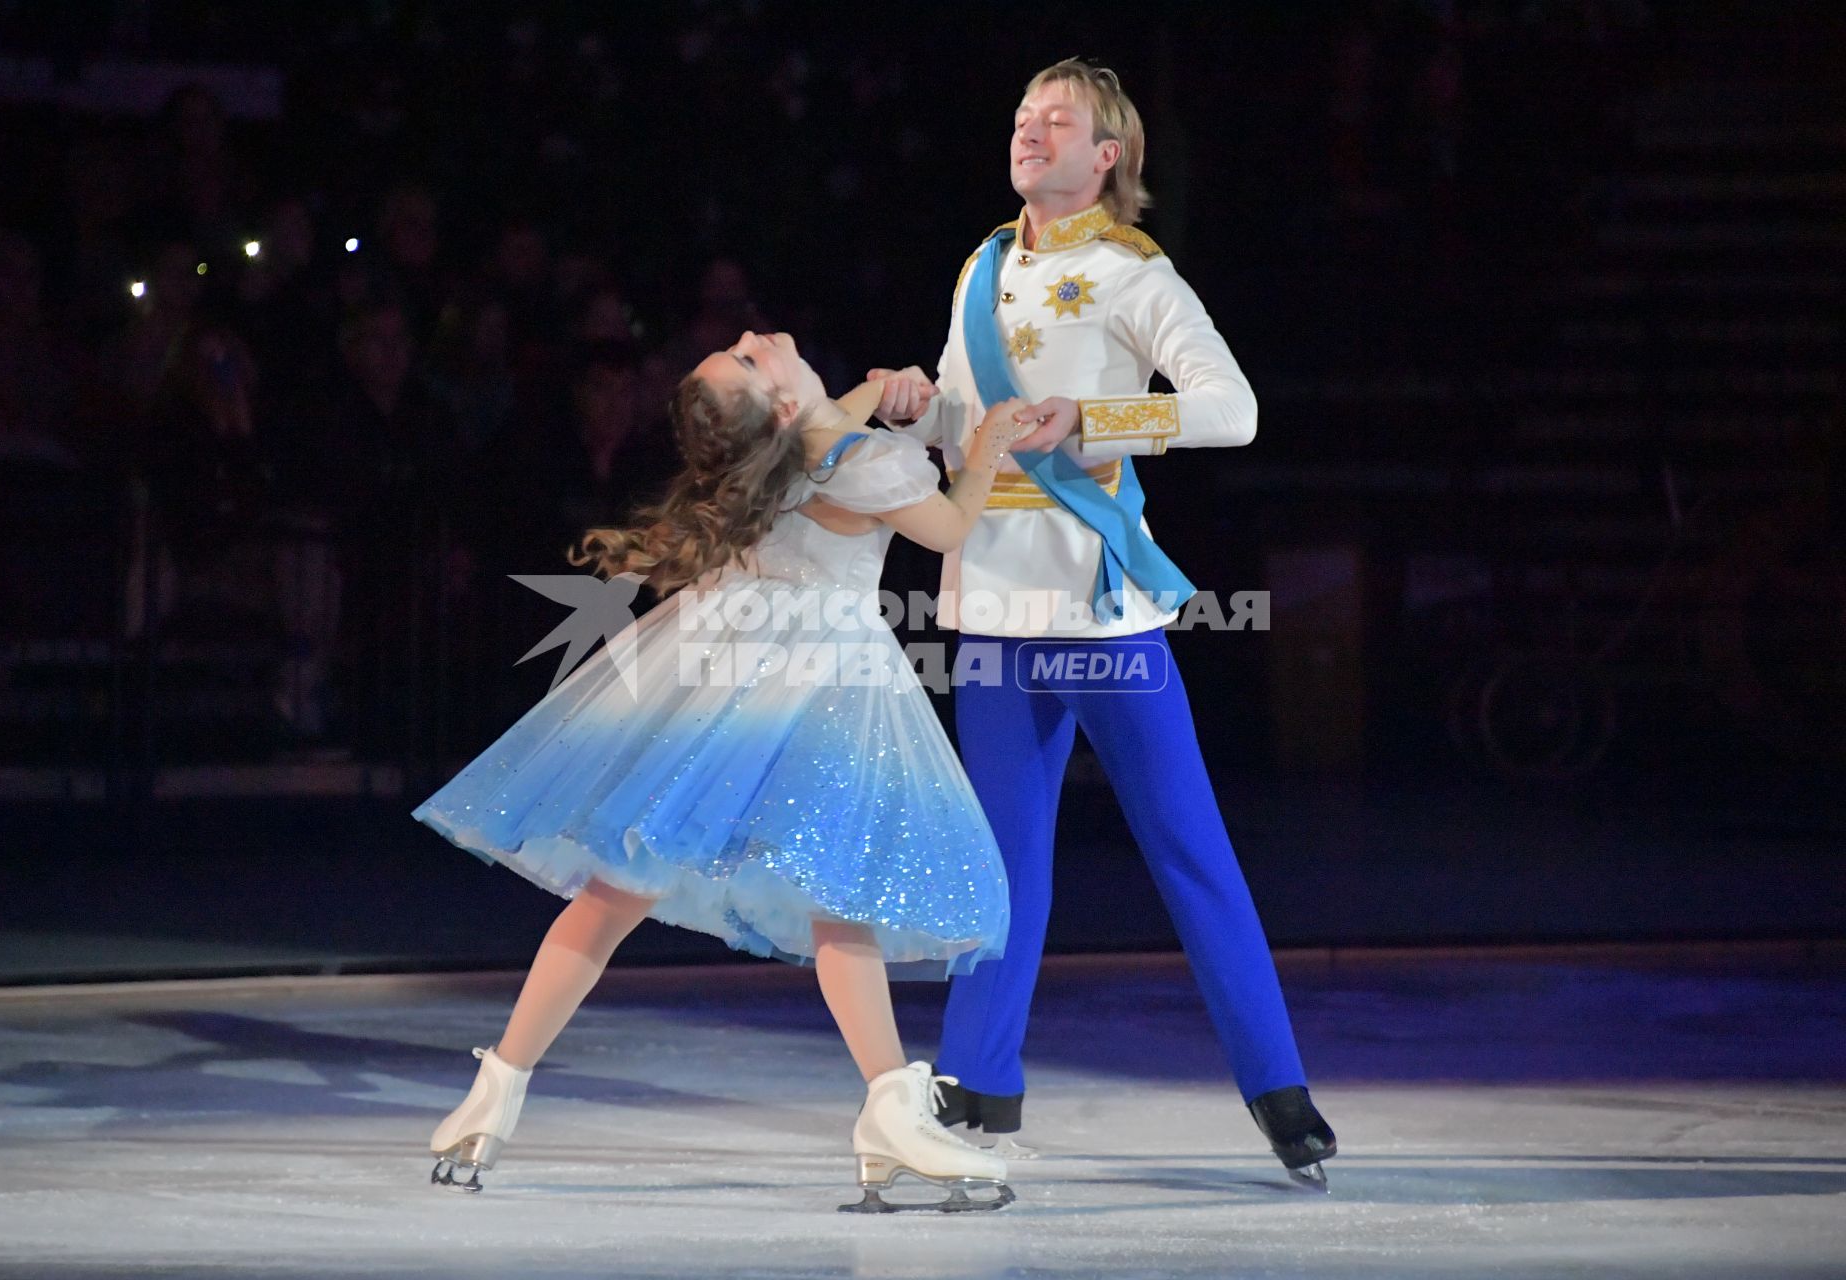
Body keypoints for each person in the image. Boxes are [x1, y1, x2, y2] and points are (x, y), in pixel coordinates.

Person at [415, 330, 1030, 1212]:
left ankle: (494, 1095)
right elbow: (952, 524)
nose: (749, 339)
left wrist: (868, 392)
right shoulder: (858, 464)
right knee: (835, 896)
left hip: (719, 674)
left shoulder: (784, 450)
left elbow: (823, 433)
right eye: (747, 359)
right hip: (813, 687)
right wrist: (987, 445)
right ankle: (889, 1110)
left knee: (622, 884)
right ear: (781, 406)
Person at [868, 59, 1339, 1189]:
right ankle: (979, 1080)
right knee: (1001, 861)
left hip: (1095, 606)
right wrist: (915, 403)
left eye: (1056, 121)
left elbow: (1234, 409)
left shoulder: (1137, 276)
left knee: (1188, 850)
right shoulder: (983, 264)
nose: (1030, 133)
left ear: (1106, 156)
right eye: (1023, 116)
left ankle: (1280, 1090)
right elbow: (958, 414)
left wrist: (1098, 419)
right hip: (987, 600)